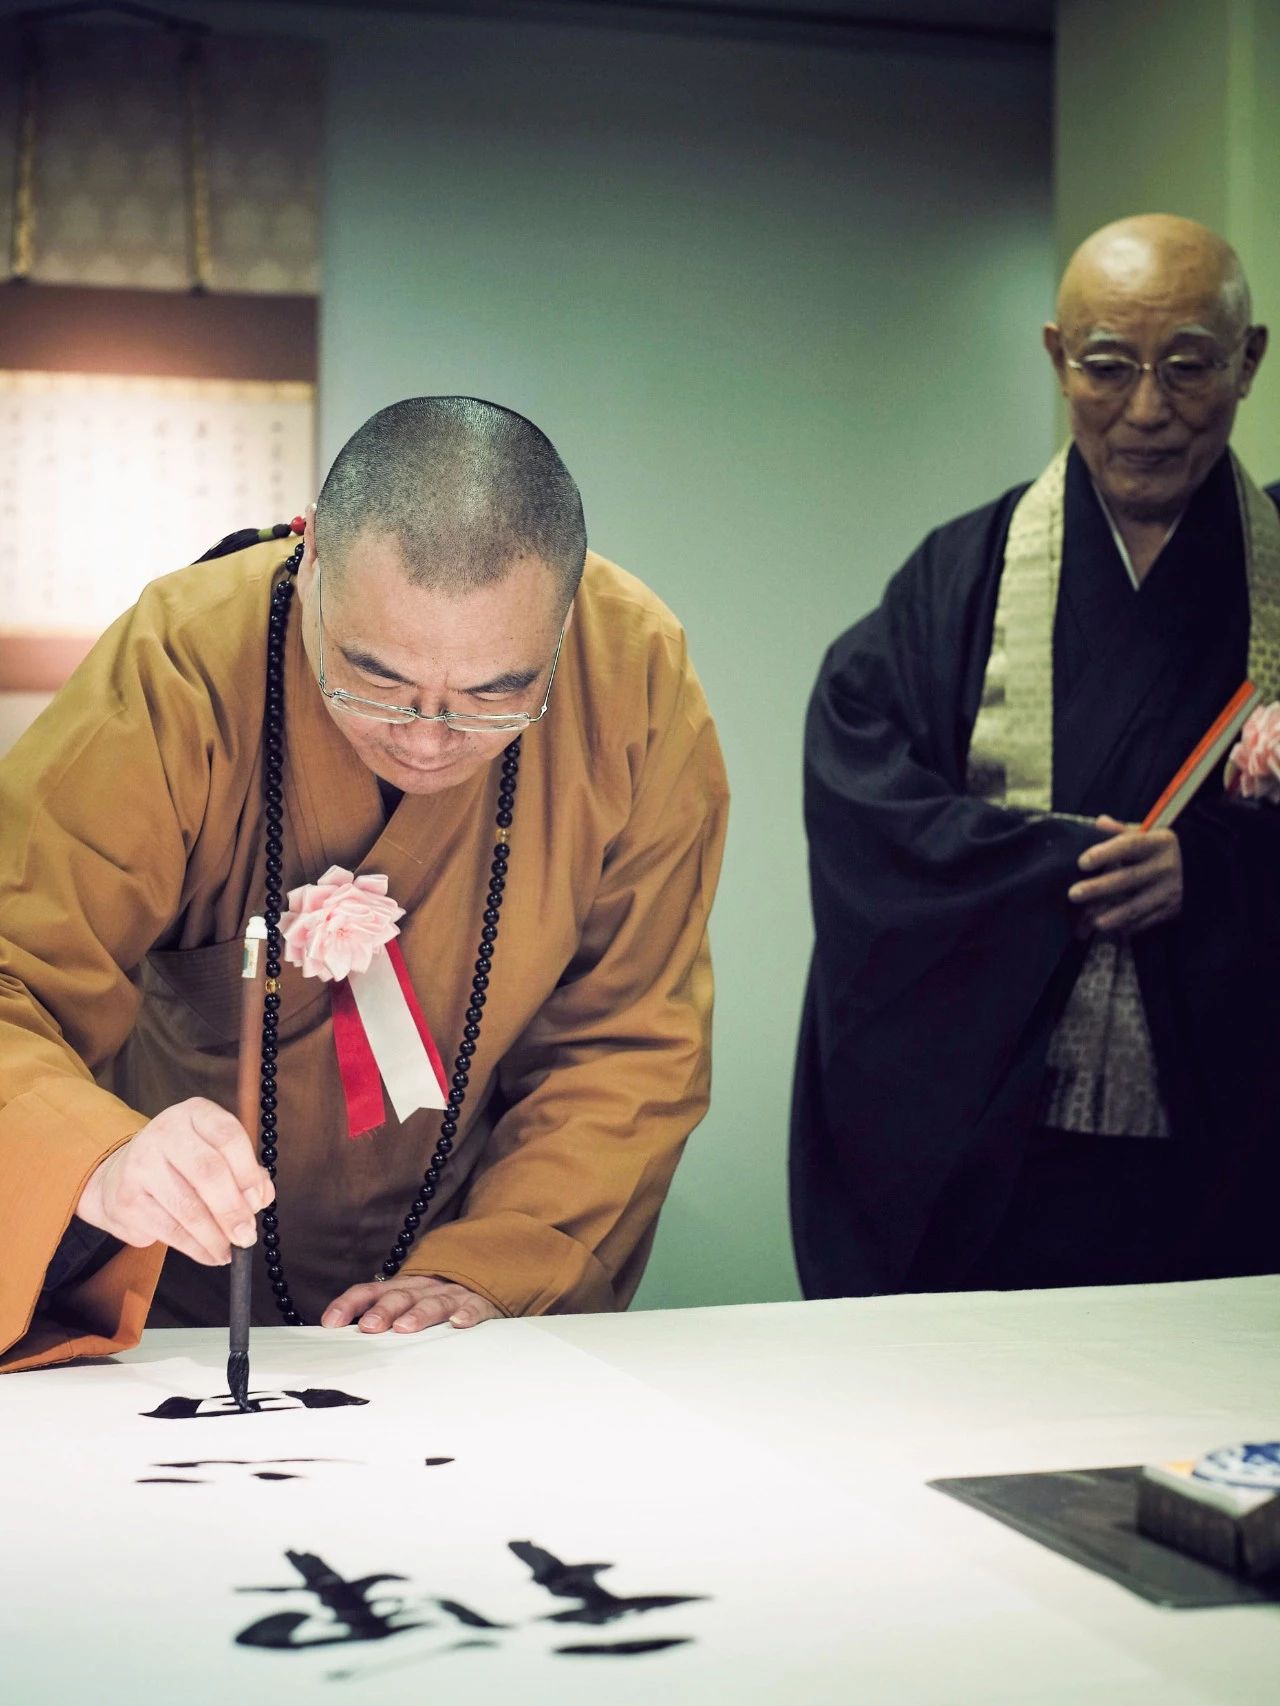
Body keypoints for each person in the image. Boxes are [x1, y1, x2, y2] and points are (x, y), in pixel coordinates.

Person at [1, 396, 728, 1371]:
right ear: (306, 574)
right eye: (373, 681)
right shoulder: (184, 660)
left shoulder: (628, 674)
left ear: (561, 629)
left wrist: (491, 1267)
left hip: (454, 1315)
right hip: (161, 1287)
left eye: (495, 694)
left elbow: (630, 1038)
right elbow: (13, 977)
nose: (428, 740)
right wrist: (94, 1153)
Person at [791, 214, 1280, 1298]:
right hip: (1006, 1155)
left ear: (1247, 362)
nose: (1146, 409)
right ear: (1058, 356)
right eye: (1107, 365)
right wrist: (1048, 867)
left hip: (1243, 1151)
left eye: (1188, 364)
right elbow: (864, 800)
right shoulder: (955, 579)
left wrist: (1212, 872)